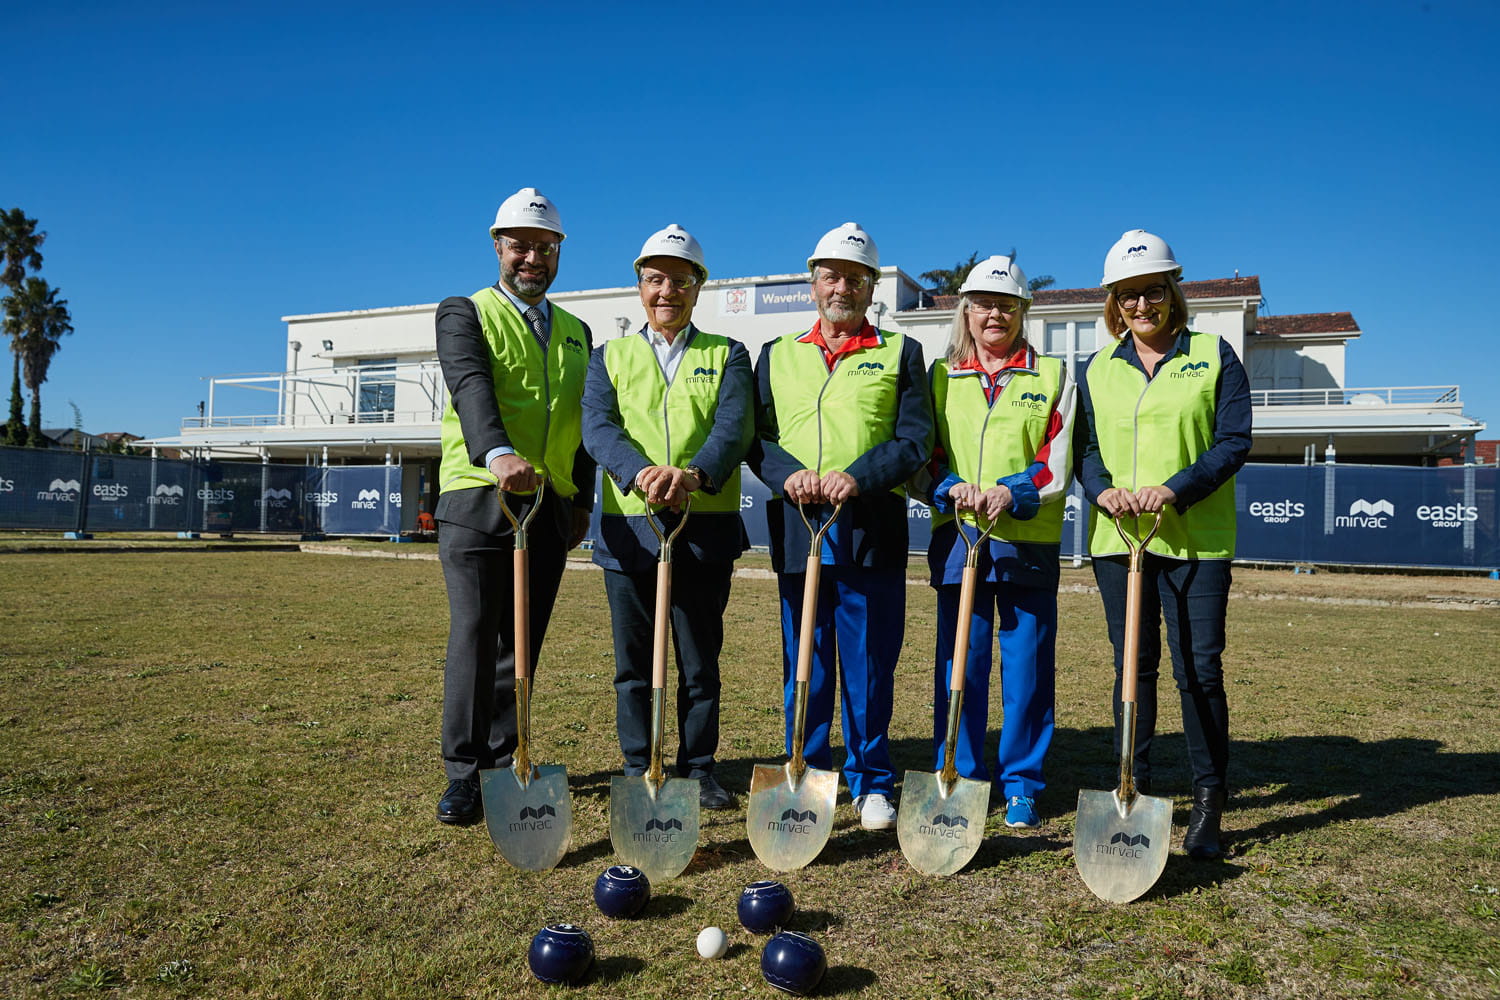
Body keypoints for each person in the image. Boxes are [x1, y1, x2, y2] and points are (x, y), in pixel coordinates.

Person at [1074, 229, 1252, 858]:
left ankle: (1209, 801)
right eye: (1127, 296)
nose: (1141, 306)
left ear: (1171, 291)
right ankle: (1137, 788)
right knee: (1134, 667)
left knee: (1199, 670)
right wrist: (1101, 493)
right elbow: (1087, 452)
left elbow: (1233, 442)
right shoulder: (1097, 367)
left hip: (1197, 541)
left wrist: (1175, 489)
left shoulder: (1213, 352)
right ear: (1114, 304)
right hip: (1119, 539)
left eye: (1151, 291)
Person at [750, 222, 932, 831]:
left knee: (869, 662)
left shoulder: (901, 352)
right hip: (799, 528)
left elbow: (914, 441)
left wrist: (859, 475)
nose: (841, 287)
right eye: (831, 276)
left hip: (870, 529)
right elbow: (758, 439)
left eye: (855, 277)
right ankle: (809, 766)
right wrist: (787, 476)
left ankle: (872, 779)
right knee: (807, 659)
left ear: (871, 286)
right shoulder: (776, 354)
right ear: (814, 283)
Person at [432, 187, 594, 825]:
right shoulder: (463, 312)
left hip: (548, 508)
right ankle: (464, 772)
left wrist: (578, 494)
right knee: (476, 634)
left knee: (521, 643)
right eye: (519, 244)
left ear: (558, 253)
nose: (532, 257)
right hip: (477, 497)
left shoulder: (578, 332)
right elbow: (470, 383)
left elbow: (586, 417)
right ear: (497, 247)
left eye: (544, 247)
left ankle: (506, 758)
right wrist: (496, 452)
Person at [582, 224, 754, 810]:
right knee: (633, 663)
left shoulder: (728, 353)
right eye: (655, 279)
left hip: (702, 525)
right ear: (639, 286)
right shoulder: (609, 356)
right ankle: (639, 765)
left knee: (700, 662)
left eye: (681, 280)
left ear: (698, 287)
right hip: (630, 528)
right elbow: (598, 428)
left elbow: (734, 426)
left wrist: (694, 477)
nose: (667, 292)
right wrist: (641, 474)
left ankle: (699, 766)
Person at [923, 255, 1075, 830]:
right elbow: (926, 452)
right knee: (960, 661)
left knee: (1028, 669)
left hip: (1025, 540)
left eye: (1007, 305)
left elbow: (1055, 459)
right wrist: (950, 486)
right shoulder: (940, 377)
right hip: (959, 537)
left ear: (1023, 312)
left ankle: (1022, 784)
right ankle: (958, 773)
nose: (995, 314)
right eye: (984, 304)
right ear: (966, 310)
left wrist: (1013, 492)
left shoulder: (1055, 374)